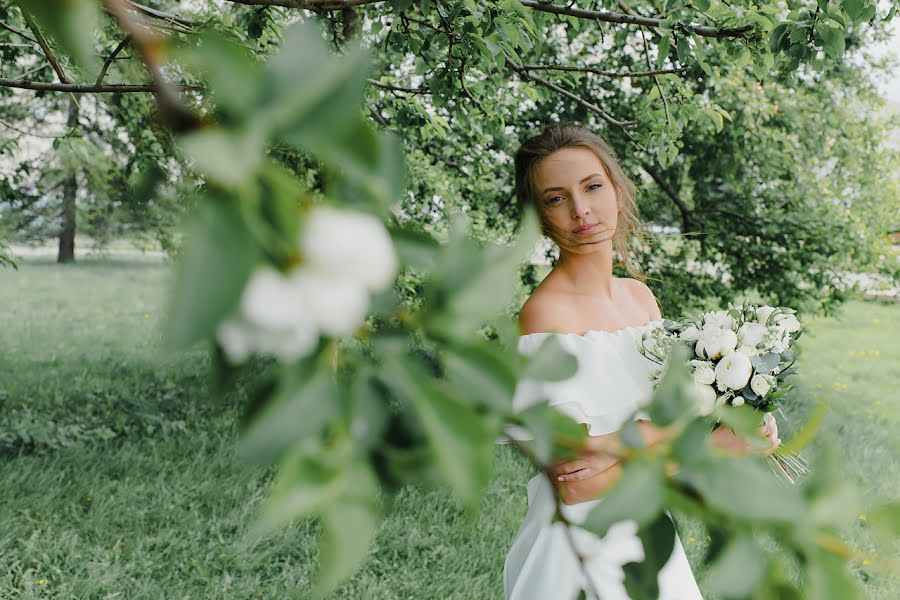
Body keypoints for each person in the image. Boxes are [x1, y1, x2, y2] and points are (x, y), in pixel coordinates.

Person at [503, 124, 780, 600]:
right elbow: (574, 485)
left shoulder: (641, 300)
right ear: (540, 217)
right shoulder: (545, 316)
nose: (580, 210)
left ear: (616, 187)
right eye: (555, 198)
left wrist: (734, 424)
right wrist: (710, 444)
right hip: (579, 552)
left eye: (592, 186)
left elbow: (653, 433)